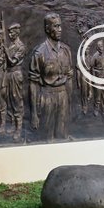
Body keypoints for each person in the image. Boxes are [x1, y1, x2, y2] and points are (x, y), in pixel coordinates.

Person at [29, 13, 73, 141]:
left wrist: (69, 101)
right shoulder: (40, 52)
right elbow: (33, 83)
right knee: (46, 138)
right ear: (47, 29)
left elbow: (69, 77)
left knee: (62, 135)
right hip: (47, 97)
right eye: (56, 26)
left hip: (63, 96)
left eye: (60, 26)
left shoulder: (66, 50)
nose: (60, 30)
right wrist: (34, 114)